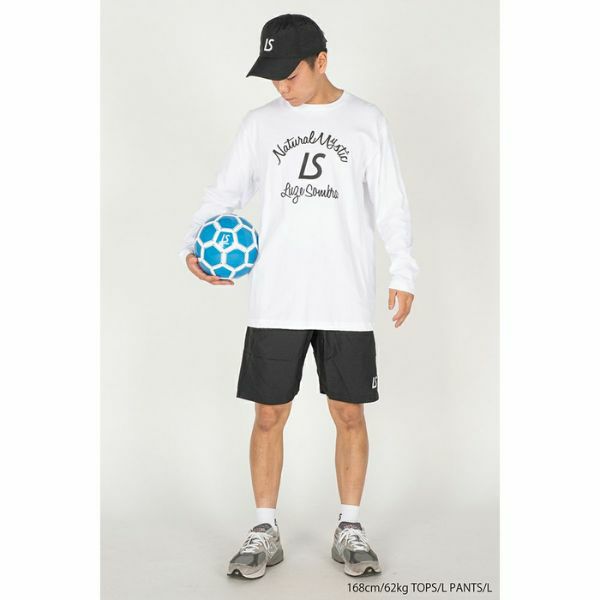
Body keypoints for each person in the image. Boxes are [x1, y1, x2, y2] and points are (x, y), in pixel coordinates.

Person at [180, 13, 418, 579]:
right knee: (268, 414)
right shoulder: (260, 125)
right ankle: (264, 529)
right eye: (273, 77)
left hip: (345, 295)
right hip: (277, 296)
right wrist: (193, 244)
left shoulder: (365, 121)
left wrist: (403, 270)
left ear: (322, 61)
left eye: (290, 74)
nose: (281, 87)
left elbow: (392, 203)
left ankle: (350, 527)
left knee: (349, 413)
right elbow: (223, 193)